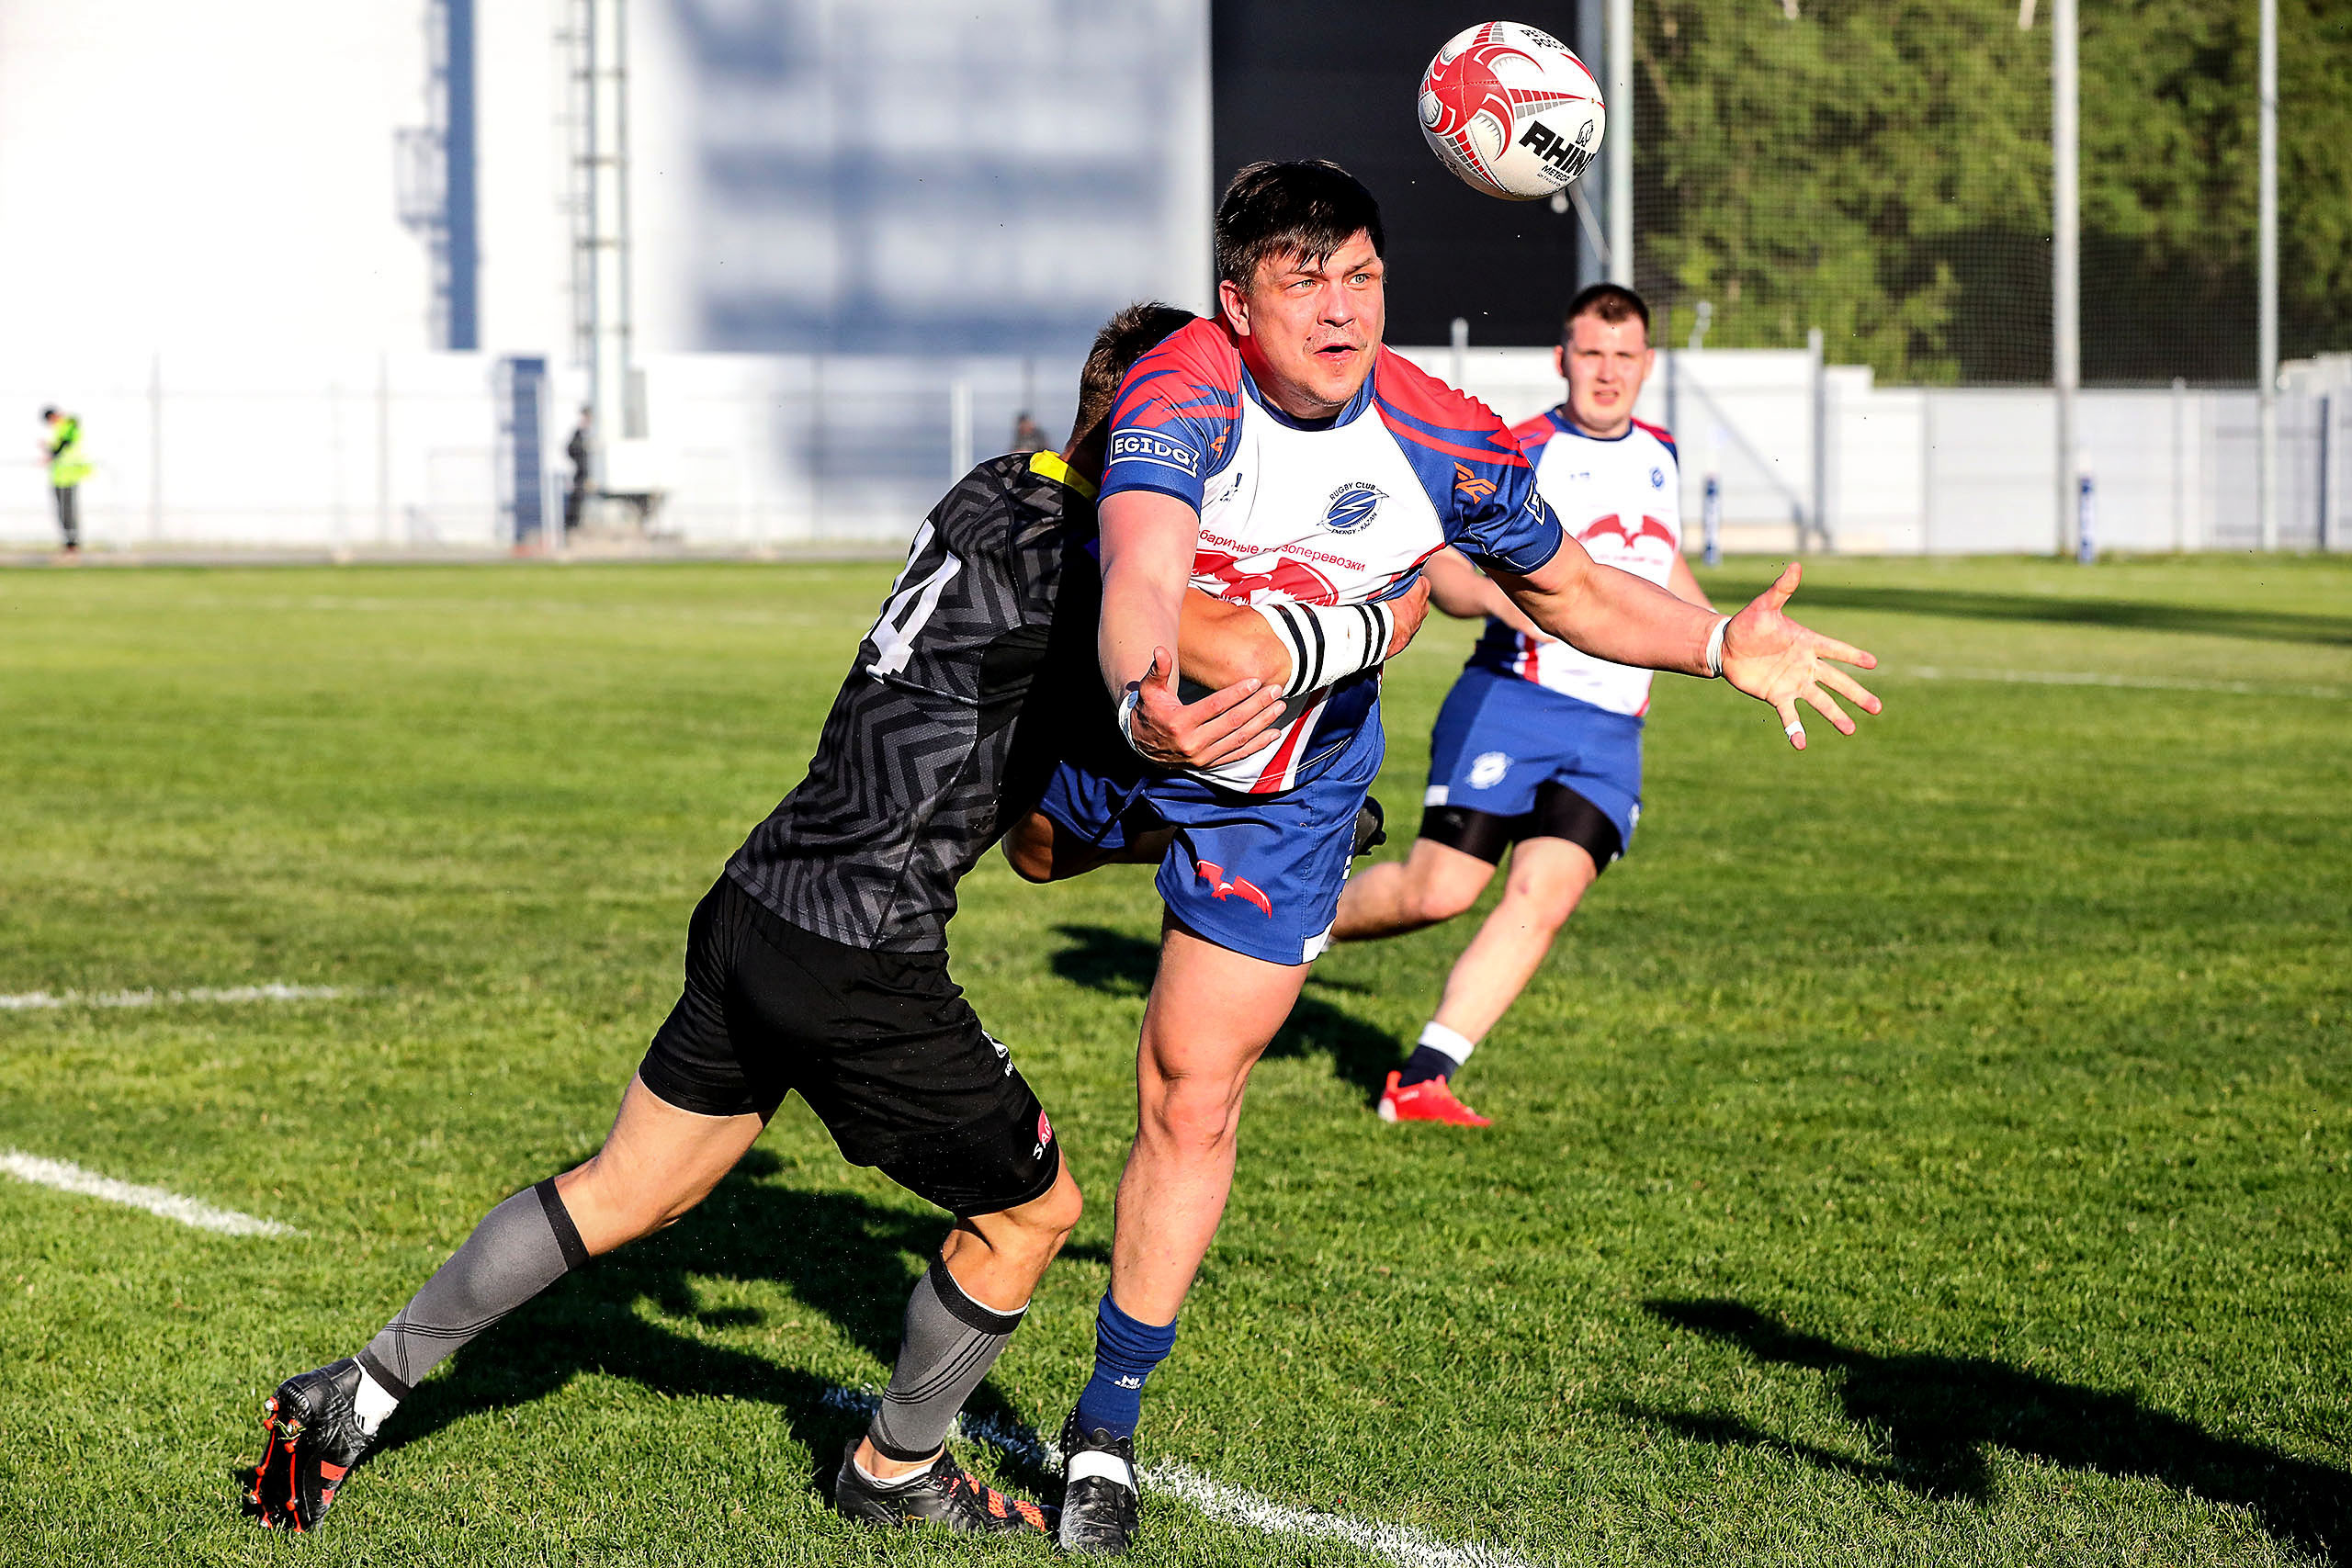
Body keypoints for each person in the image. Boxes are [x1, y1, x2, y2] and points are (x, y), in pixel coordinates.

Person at [243, 301, 1430, 1539]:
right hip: (862, 948)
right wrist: (1346, 679)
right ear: (1149, 423)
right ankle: (892, 1469)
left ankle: (358, 1389)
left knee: (625, 1187)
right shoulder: (1098, 572)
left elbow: (1030, 809)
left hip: (759, 896)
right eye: (1209, 422)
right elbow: (1054, 837)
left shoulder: (992, 488)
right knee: (1032, 1214)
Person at [1011, 161, 1881, 1556]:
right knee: (1035, 851)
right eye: (1304, 283)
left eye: (1362, 278)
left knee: (1193, 1094)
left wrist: (1719, 641)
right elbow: (1145, 576)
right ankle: (1135, 816)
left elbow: (1573, 590)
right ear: (1235, 303)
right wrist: (1141, 698)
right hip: (1141, 716)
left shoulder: (1442, 432)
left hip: (1284, 799)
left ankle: (1105, 1426)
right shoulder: (1182, 387)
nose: (1341, 310)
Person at [1330, 282, 1710, 1127]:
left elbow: (1661, 562)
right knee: (1439, 891)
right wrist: (1511, 600)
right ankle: (1290, 927)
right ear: (1561, 359)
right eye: (1591, 354)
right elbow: (1443, 564)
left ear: (1647, 364)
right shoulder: (1520, 448)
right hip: (1515, 701)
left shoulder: (1662, 454)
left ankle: (1421, 1080)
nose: (1607, 372)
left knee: (1546, 893)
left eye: (1624, 356)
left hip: (1613, 729)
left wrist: (1725, 636)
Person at [40, 407, 91, 557]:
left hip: (69, 474)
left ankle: (72, 545)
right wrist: (48, 450)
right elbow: (58, 449)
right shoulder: (60, 428)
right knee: (62, 511)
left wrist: (51, 454)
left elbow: (65, 444)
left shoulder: (70, 424)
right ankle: (68, 543)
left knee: (68, 510)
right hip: (59, 476)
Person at [563, 407, 591, 537]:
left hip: (589, 475)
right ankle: (572, 529)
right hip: (581, 474)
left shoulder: (593, 431)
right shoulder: (579, 433)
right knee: (576, 502)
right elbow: (570, 449)